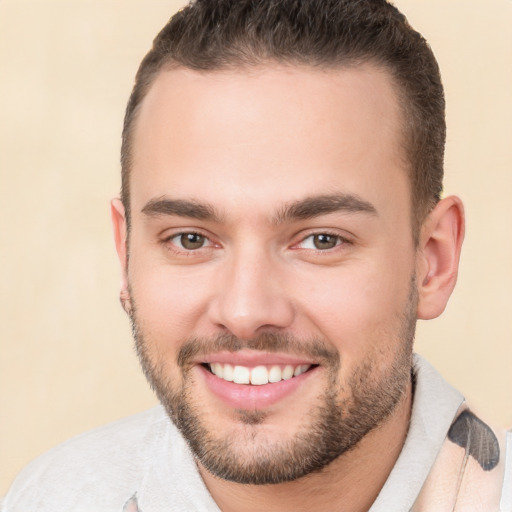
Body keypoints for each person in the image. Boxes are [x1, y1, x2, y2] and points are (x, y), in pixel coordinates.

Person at [2, 0, 511, 510]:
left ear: (433, 261)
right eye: (190, 239)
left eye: (321, 240)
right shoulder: (48, 498)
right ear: (126, 253)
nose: (246, 312)